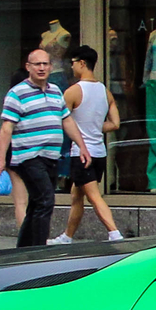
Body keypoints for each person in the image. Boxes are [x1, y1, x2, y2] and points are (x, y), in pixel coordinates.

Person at [0, 45, 69, 249]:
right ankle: (39, 250)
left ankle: (24, 248)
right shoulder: (17, 93)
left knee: (37, 202)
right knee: (45, 200)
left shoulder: (56, 91)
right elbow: (6, 128)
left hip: (50, 156)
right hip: (28, 155)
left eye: (46, 64)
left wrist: (83, 146)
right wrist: (0, 159)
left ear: (51, 67)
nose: (42, 68)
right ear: (28, 67)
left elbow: (67, 120)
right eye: (38, 64)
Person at [56, 46, 123, 244]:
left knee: (93, 196)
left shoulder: (72, 92)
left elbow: (61, 120)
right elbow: (115, 123)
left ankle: (114, 233)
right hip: (99, 152)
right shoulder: (105, 91)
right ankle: (67, 236)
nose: (72, 66)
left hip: (82, 153)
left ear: (82, 63)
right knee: (76, 196)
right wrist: (94, 125)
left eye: (73, 62)